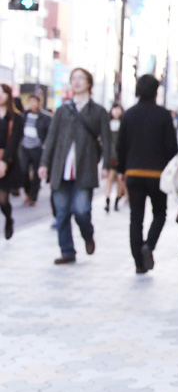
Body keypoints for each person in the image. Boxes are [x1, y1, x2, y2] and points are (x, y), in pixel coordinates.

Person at [38, 68, 110, 264]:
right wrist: (44, 163)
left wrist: (107, 165)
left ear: (89, 83)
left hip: (84, 169)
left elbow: (106, 139)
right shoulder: (63, 110)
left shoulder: (98, 111)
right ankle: (67, 251)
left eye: (81, 78)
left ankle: (88, 235)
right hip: (60, 168)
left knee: (81, 211)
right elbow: (51, 138)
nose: (77, 82)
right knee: (61, 214)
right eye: (73, 78)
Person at [116, 74, 178, 274]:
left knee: (136, 218)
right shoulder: (163, 115)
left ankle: (138, 263)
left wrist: (121, 170)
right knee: (160, 213)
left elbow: (120, 145)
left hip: (133, 172)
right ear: (155, 91)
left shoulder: (129, 114)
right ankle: (149, 245)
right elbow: (172, 147)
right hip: (157, 175)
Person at [0, 84, 24, 240]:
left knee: (2, 199)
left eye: (2, 93)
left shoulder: (16, 118)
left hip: (8, 161)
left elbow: (14, 142)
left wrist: (4, 161)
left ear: (8, 95)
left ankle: (8, 219)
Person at [20, 92, 51, 207]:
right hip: (25, 147)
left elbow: (49, 134)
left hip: (37, 148)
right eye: (31, 101)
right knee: (23, 170)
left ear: (39, 103)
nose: (32, 104)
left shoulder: (45, 117)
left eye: (35, 102)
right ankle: (28, 192)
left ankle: (33, 196)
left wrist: (44, 146)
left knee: (37, 173)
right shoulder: (24, 115)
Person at [104, 104, 126, 212]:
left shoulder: (124, 124)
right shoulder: (107, 124)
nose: (116, 111)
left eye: (118, 109)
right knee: (110, 178)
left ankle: (117, 200)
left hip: (121, 155)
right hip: (110, 155)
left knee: (119, 179)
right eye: (115, 109)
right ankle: (108, 200)